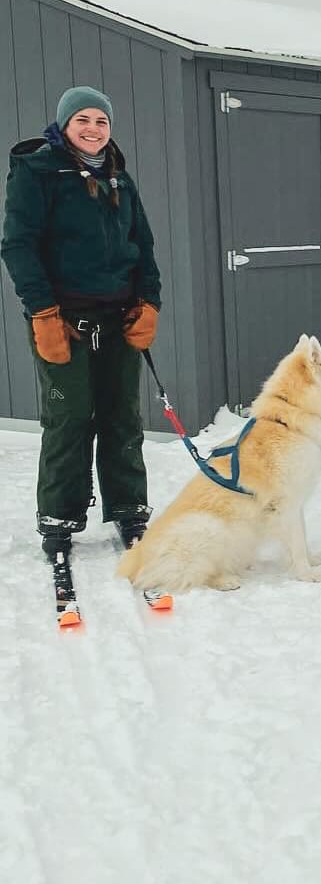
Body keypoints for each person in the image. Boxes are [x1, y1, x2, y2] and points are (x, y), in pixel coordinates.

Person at [1, 85, 162, 577]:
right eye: (83, 120)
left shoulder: (119, 177)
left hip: (119, 318)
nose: (93, 129)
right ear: (65, 124)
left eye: (101, 121)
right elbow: (18, 245)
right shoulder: (38, 172)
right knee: (69, 418)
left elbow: (143, 245)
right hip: (63, 320)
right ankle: (59, 518)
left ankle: (130, 510)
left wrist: (148, 302)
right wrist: (42, 312)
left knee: (122, 415)